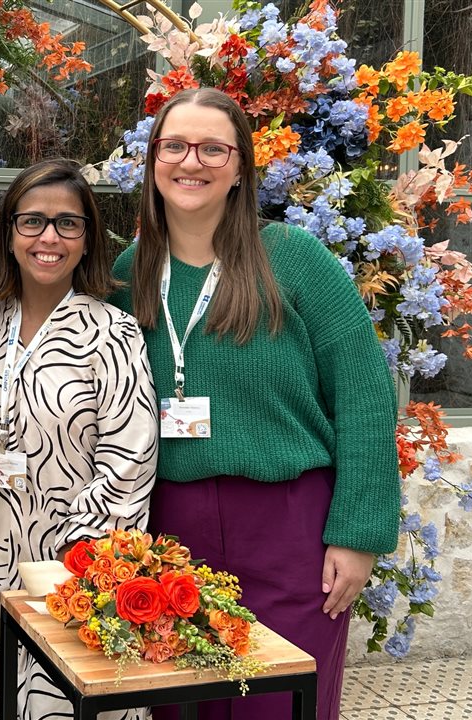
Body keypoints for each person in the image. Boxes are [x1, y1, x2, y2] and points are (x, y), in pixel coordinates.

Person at [107, 87, 399, 720]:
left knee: (279, 704)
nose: (193, 162)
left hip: (290, 527)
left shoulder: (294, 259)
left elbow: (365, 395)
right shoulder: (129, 273)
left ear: (240, 167)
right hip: (171, 531)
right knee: (187, 705)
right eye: (176, 145)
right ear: (153, 159)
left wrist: (360, 533)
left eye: (214, 148)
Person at [0, 159, 158, 720]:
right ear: (7, 233)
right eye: (33, 221)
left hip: (73, 572)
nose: (49, 237)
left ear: (87, 238)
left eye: (68, 223)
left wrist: (71, 566)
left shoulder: (112, 334)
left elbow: (128, 467)